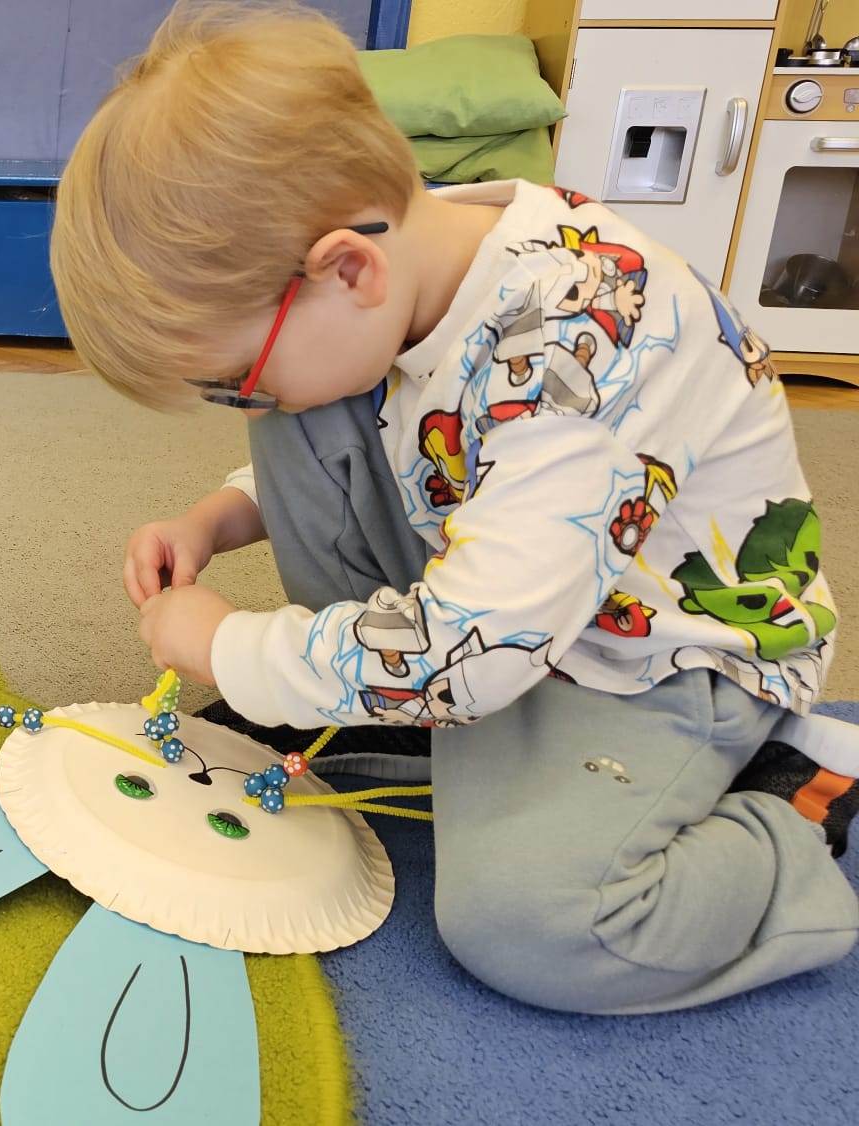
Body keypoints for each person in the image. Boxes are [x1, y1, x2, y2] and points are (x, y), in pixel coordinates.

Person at [50, 0, 857, 1014]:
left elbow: (482, 643)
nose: (244, 409)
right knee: (317, 397)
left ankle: (791, 812)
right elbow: (410, 446)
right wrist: (220, 515)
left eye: (234, 387)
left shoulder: (575, 346)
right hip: (519, 602)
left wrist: (232, 649)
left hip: (665, 661)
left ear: (349, 267)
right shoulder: (406, 271)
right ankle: (400, 698)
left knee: (530, 922)